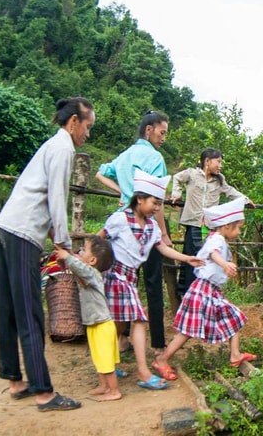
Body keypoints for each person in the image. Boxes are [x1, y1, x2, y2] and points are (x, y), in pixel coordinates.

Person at [0, 96, 94, 412]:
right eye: (87, 126)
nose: (88, 134)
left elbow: (43, 199)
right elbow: (56, 199)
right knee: (30, 313)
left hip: (8, 227)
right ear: (74, 121)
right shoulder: (64, 148)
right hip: (23, 233)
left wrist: (56, 238)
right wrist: (63, 243)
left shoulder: (53, 146)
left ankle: (15, 381)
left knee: (10, 308)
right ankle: (43, 392)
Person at [100, 170, 203, 390]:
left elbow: (162, 247)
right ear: (139, 199)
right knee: (138, 320)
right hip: (116, 276)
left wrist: (187, 258)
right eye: (154, 203)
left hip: (129, 278)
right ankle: (143, 371)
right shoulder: (119, 219)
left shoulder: (151, 227)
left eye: (160, 204)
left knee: (118, 325)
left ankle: (109, 364)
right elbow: (99, 239)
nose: (157, 208)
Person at [151, 197, 257, 377]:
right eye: (238, 227)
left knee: (233, 317)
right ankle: (162, 359)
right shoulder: (217, 240)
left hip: (211, 291)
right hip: (203, 290)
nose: (239, 231)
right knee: (187, 331)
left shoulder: (217, 238)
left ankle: (235, 354)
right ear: (226, 226)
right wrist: (224, 264)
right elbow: (213, 254)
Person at [95, 111, 170, 354]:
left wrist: (122, 192)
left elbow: (100, 172)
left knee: (124, 283)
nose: (163, 138)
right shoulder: (155, 158)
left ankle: (122, 340)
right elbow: (155, 201)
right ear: (149, 130)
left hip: (125, 224)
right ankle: (158, 345)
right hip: (146, 226)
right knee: (152, 284)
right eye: (162, 132)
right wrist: (163, 232)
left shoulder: (125, 155)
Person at [169, 148, 253, 301]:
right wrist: (176, 193)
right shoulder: (192, 174)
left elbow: (231, 192)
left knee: (206, 258)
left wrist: (246, 200)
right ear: (207, 161)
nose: (220, 165)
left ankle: (204, 295)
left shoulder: (219, 180)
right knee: (191, 259)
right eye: (218, 161)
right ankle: (188, 296)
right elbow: (177, 178)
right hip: (193, 223)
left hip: (209, 226)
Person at [53, 236, 122, 402]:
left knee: (105, 361)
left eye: (83, 250)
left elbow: (80, 268)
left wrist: (68, 256)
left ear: (92, 260)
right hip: (93, 323)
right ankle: (104, 386)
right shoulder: (89, 273)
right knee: (98, 358)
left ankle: (114, 390)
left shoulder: (92, 273)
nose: (80, 252)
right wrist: (68, 257)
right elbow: (78, 269)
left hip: (102, 325)